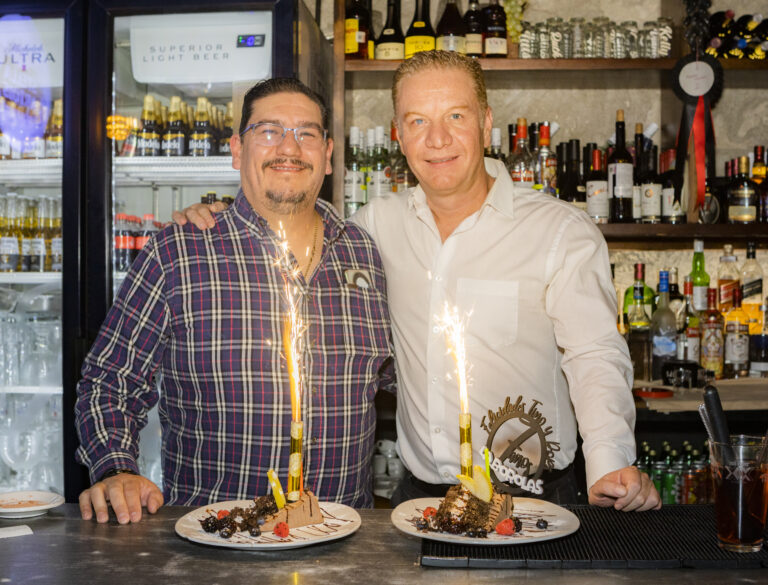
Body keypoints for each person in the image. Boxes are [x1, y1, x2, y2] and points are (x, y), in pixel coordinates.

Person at [176, 52, 661, 513]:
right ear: (398, 135)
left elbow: (595, 354)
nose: (437, 139)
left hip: (532, 497)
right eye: (417, 121)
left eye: (455, 116)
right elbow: (291, 220)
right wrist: (226, 215)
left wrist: (610, 462)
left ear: (486, 122)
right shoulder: (371, 228)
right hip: (419, 500)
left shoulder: (559, 231)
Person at [76, 78, 395, 525]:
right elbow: (108, 382)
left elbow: (400, 375)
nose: (289, 146)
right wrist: (117, 468)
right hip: (216, 542)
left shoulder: (364, 252)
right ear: (237, 150)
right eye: (268, 131)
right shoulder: (179, 253)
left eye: (306, 133)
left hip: (343, 540)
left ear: (326, 155)